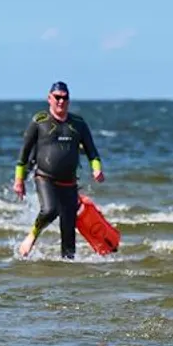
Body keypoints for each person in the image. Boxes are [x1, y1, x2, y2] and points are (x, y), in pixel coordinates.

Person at [12, 81, 104, 259]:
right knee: (50, 210)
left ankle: (67, 277)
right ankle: (32, 236)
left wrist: (97, 169)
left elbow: (92, 152)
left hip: (69, 183)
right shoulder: (40, 121)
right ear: (49, 98)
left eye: (65, 97)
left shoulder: (78, 123)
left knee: (69, 237)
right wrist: (19, 180)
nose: (61, 101)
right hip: (45, 178)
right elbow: (23, 154)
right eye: (57, 97)